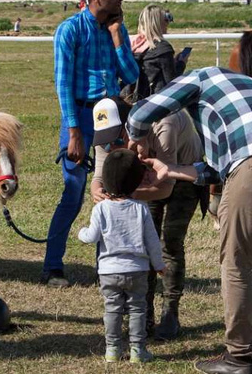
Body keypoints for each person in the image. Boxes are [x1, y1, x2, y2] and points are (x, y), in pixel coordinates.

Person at [127, 67, 252, 374]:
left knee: (236, 262)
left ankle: (238, 357)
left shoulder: (200, 78)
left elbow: (141, 114)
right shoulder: (245, 92)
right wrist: (170, 168)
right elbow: (217, 172)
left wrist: (138, 140)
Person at [41, 0, 139, 288]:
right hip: (81, 117)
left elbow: (130, 74)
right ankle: (53, 267)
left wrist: (117, 37)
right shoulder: (69, 30)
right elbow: (63, 85)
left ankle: (106, 266)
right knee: (73, 194)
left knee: (114, 191)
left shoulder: (115, 29)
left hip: (111, 114)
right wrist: (73, 133)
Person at [91, 96, 203, 341]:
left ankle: (170, 314)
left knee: (170, 245)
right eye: (107, 141)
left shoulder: (164, 124)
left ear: (131, 124)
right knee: (143, 244)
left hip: (184, 175)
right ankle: (144, 315)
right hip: (141, 177)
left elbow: (166, 186)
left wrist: (119, 193)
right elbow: (98, 176)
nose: (112, 146)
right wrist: (99, 191)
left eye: (118, 137)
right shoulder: (105, 133)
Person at [78, 148, 164, 364]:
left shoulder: (101, 209)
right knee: (137, 309)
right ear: (136, 181)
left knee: (112, 309)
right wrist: (159, 263)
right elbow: (152, 241)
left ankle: (112, 350)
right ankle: (138, 350)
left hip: (109, 271)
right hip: (137, 270)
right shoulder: (141, 208)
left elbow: (92, 237)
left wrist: (81, 232)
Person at [131, 4, 190, 96]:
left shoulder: (133, 44)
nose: (168, 24)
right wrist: (181, 63)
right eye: (166, 20)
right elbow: (171, 82)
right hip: (154, 100)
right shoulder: (163, 48)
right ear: (158, 23)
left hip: (131, 97)